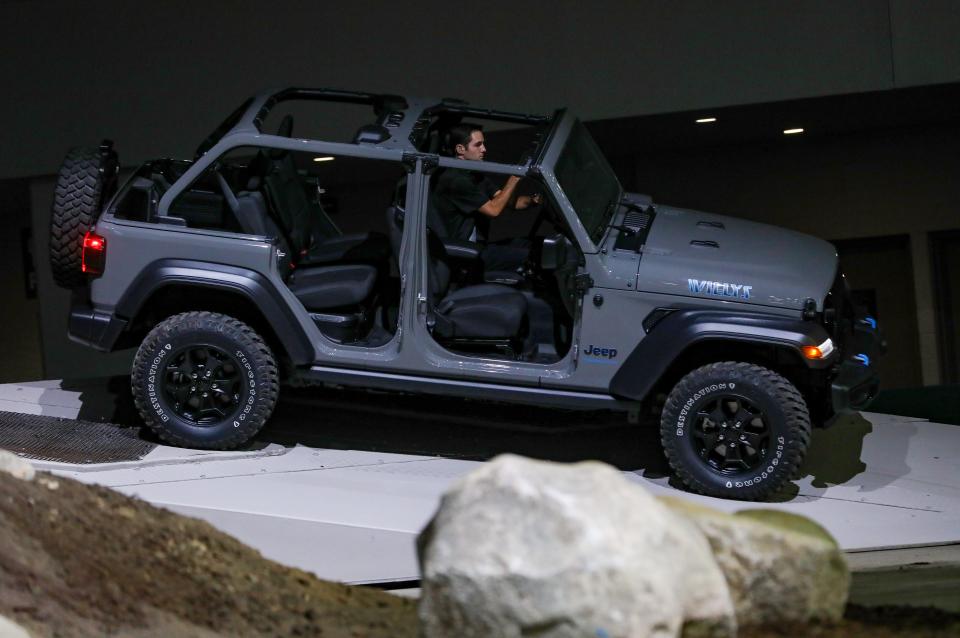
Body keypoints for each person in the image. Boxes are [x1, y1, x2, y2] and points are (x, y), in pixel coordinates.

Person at [430, 124, 540, 274]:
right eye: (478, 145)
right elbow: (493, 210)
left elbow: (509, 202)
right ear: (460, 149)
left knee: (539, 245)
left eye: (483, 144)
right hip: (466, 252)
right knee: (536, 256)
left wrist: (534, 201)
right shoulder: (456, 180)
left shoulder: (473, 175)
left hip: (479, 245)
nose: (484, 149)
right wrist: (514, 177)